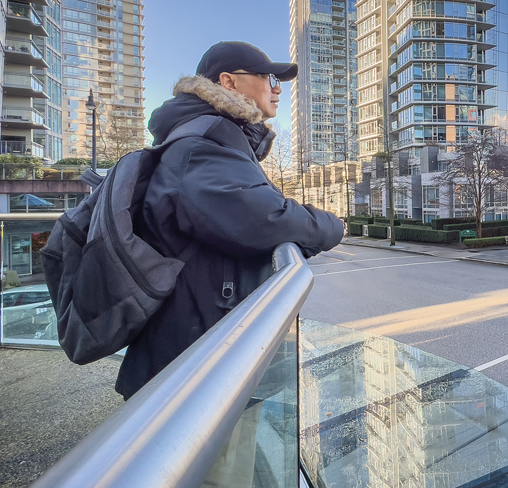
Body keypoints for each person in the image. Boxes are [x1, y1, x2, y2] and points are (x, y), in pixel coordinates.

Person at [115, 41, 344, 400]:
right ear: (229, 82)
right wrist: (335, 225)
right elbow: (267, 219)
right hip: (195, 369)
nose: (277, 87)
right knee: (222, 456)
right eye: (269, 77)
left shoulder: (215, 138)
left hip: (205, 351)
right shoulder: (204, 142)